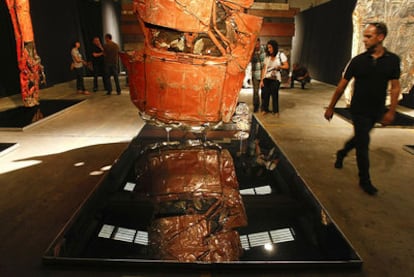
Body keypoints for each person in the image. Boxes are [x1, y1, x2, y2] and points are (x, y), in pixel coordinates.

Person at [324, 22, 401, 195]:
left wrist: (391, 110)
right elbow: (341, 86)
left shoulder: (392, 61)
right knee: (363, 144)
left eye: (368, 36)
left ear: (380, 37)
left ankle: (342, 152)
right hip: (358, 110)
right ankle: (364, 181)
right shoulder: (358, 61)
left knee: (360, 138)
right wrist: (331, 107)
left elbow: (395, 86)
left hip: (377, 110)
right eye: (364, 36)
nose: (364, 40)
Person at [260, 40, 289, 117]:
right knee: (266, 95)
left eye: (270, 47)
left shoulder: (280, 55)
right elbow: (264, 69)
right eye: (268, 47)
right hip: (267, 78)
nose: (269, 49)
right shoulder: (267, 57)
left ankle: (275, 111)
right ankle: (265, 109)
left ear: (274, 47)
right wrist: (262, 80)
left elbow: (286, 66)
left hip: (276, 79)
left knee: (274, 95)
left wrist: (279, 67)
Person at [250, 38, 265, 112]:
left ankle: (263, 107)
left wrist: (263, 78)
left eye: (257, 43)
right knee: (255, 92)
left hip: (263, 74)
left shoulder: (263, 50)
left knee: (264, 92)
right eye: (255, 44)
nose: (256, 45)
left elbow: (264, 65)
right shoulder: (252, 51)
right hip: (255, 74)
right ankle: (256, 106)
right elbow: (249, 60)